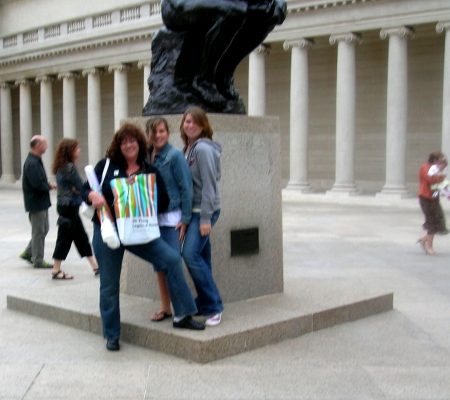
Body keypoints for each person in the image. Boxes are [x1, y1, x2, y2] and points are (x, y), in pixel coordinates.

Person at [82, 123, 204, 352]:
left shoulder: (149, 171)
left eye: (133, 141)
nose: (129, 145)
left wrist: (142, 196)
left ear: (140, 144)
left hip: (139, 230)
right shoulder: (107, 166)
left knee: (171, 259)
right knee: (109, 285)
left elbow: (164, 201)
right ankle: (111, 334)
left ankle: (183, 315)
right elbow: (83, 189)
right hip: (109, 231)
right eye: (124, 141)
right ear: (119, 146)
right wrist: (91, 195)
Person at [146, 117, 193, 322]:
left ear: (168, 132)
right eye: (154, 132)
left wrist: (185, 218)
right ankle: (166, 307)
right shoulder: (147, 157)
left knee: (172, 264)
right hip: (152, 219)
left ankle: (181, 309)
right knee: (159, 265)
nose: (158, 135)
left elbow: (186, 188)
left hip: (172, 219)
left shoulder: (175, 156)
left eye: (162, 131)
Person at [180, 106, 224, 326]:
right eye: (187, 121)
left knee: (190, 255)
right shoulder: (188, 148)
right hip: (194, 212)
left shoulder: (203, 149)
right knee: (202, 259)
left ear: (203, 124)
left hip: (203, 212)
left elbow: (209, 185)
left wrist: (205, 219)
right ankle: (206, 303)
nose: (190, 125)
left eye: (195, 121)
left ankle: (214, 306)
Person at [50, 139, 99, 280]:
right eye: (77, 148)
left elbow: (75, 187)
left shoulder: (61, 166)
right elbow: (80, 186)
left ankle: (95, 267)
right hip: (69, 207)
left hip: (66, 206)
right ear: (70, 151)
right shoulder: (69, 167)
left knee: (81, 237)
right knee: (64, 238)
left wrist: (76, 190)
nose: (79, 150)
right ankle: (56, 270)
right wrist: (80, 191)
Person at [20, 135, 57, 269]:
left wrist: (47, 184)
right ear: (37, 146)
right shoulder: (32, 163)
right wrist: (49, 186)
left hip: (40, 202)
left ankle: (29, 252)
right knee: (38, 231)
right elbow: (36, 184)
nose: (46, 147)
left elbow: (39, 181)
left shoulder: (35, 161)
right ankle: (38, 260)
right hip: (36, 203)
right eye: (44, 144)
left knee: (43, 229)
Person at [417, 151, 449, 255]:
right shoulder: (425, 168)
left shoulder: (435, 171)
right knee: (431, 221)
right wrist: (440, 178)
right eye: (442, 166)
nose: (442, 169)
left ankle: (424, 239)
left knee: (439, 220)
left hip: (434, 198)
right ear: (436, 161)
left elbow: (440, 185)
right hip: (425, 198)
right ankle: (429, 247)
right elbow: (429, 180)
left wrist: (447, 193)